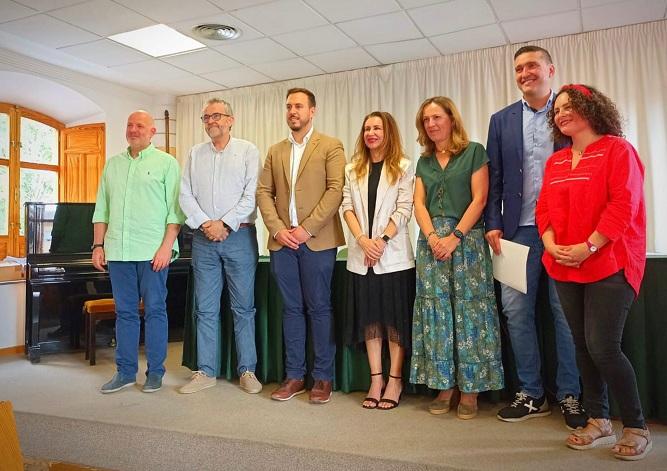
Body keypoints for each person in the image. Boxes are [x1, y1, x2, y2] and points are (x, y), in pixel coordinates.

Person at [536, 84, 651, 460]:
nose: (561, 113)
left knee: (603, 345)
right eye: (557, 110)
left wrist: (589, 245)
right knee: (581, 345)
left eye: (571, 106)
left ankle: (635, 424)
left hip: (609, 261)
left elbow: (624, 204)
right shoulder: (556, 161)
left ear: (592, 107)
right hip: (563, 263)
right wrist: (551, 244)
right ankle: (599, 420)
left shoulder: (619, 149)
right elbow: (545, 211)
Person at [485, 45, 586, 429]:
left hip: (566, 231)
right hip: (516, 232)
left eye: (532, 66)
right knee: (515, 311)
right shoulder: (501, 120)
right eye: (518, 68)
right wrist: (493, 221)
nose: (525, 73)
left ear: (550, 69)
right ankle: (531, 393)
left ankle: (571, 394)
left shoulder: (570, 113)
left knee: (564, 315)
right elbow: (494, 176)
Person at [410, 96, 503, 419]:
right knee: (437, 312)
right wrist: (434, 237)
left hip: (467, 242)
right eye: (426, 120)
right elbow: (418, 204)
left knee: (469, 311)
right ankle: (443, 384)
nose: (432, 124)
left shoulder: (474, 151)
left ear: (451, 119)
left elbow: (480, 199)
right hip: (431, 244)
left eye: (437, 117)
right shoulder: (423, 161)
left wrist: (454, 238)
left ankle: (471, 389)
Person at [256, 88, 346, 404]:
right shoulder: (275, 150)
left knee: (319, 308)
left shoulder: (331, 146)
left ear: (312, 111)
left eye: (298, 106)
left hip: (318, 242)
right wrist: (279, 230)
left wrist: (306, 229)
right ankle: (294, 376)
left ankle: (322, 378)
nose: (292, 111)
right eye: (288, 106)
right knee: (292, 310)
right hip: (282, 244)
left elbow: (335, 191)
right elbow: (263, 193)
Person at [92, 110, 184, 394]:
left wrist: (166, 247)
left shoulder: (167, 163)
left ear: (152, 132)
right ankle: (125, 372)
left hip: (153, 252)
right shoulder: (112, 165)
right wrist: (98, 245)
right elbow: (101, 209)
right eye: (129, 125)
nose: (133, 129)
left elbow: (175, 212)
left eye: (139, 125)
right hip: (118, 251)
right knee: (125, 313)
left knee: (156, 311)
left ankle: (155, 372)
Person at [178, 98, 262, 395]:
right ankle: (206, 372)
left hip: (239, 236)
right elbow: (185, 195)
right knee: (205, 309)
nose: (211, 121)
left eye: (216, 116)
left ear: (230, 119)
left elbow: (251, 195)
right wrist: (205, 224)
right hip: (203, 239)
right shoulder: (194, 154)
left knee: (243, 308)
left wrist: (224, 224)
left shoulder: (248, 151)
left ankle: (247, 370)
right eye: (206, 117)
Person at [342, 111, 415, 410]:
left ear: (389, 132)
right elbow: (346, 207)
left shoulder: (404, 166)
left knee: (394, 322)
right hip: (362, 255)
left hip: (393, 256)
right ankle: (376, 379)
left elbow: (404, 208)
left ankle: (395, 380)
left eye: (377, 128)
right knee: (370, 321)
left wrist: (381, 241)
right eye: (367, 128)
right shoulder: (352, 168)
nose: (371, 132)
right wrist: (363, 241)